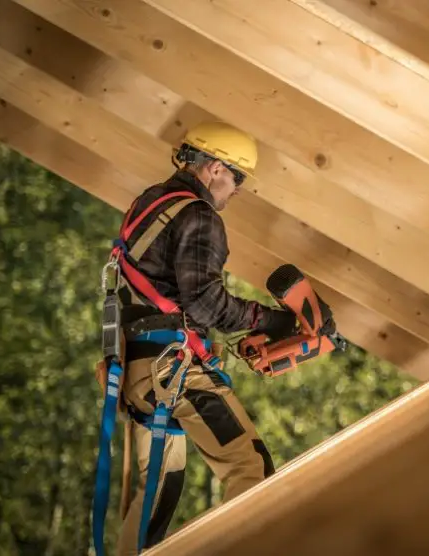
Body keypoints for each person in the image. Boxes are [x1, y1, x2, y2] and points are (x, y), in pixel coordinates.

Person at [110, 122, 298, 554]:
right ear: (214, 168)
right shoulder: (198, 214)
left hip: (136, 372)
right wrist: (274, 322)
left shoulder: (149, 203)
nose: (237, 191)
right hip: (170, 370)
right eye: (237, 178)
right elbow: (204, 303)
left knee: (157, 490)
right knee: (250, 469)